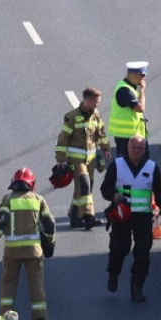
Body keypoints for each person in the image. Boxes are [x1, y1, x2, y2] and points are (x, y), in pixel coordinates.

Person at [0, 167, 59, 320]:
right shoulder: (39, 200)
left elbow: (0, 223)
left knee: (8, 287)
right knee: (36, 286)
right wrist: (50, 244)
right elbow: (49, 225)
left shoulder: (7, 200)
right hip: (33, 253)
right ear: (31, 184)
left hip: (12, 252)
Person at [100, 135, 161, 302]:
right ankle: (113, 273)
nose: (137, 151)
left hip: (143, 217)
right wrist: (115, 196)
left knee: (142, 253)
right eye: (134, 148)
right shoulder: (117, 166)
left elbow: (160, 193)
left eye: (140, 148)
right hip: (121, 216)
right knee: (120, 249)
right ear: (128, 149)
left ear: (144, 150)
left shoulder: (151, 167)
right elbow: (105, 188)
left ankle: (137, 286)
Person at [55, 86, 112, 230]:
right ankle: (88, 217)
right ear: (87, 100)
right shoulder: (72, 116)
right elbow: (63, 139)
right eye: (96, 102)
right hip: (75, 160)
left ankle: (75, 216)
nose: (98, 104)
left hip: (90, 159)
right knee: (84, 184)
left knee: (83, 188)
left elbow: (101, 134)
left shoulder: (96, 115)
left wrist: (105, 148)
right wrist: (61, 159)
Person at [108, 61, 148, 157]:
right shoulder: (124, 90)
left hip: (133, 136)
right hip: (126, 138)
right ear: (134, 75)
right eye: (142, 75)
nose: (144, 78)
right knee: (125, 167)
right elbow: (140, 108)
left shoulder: (130, 88)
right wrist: (142, 90)